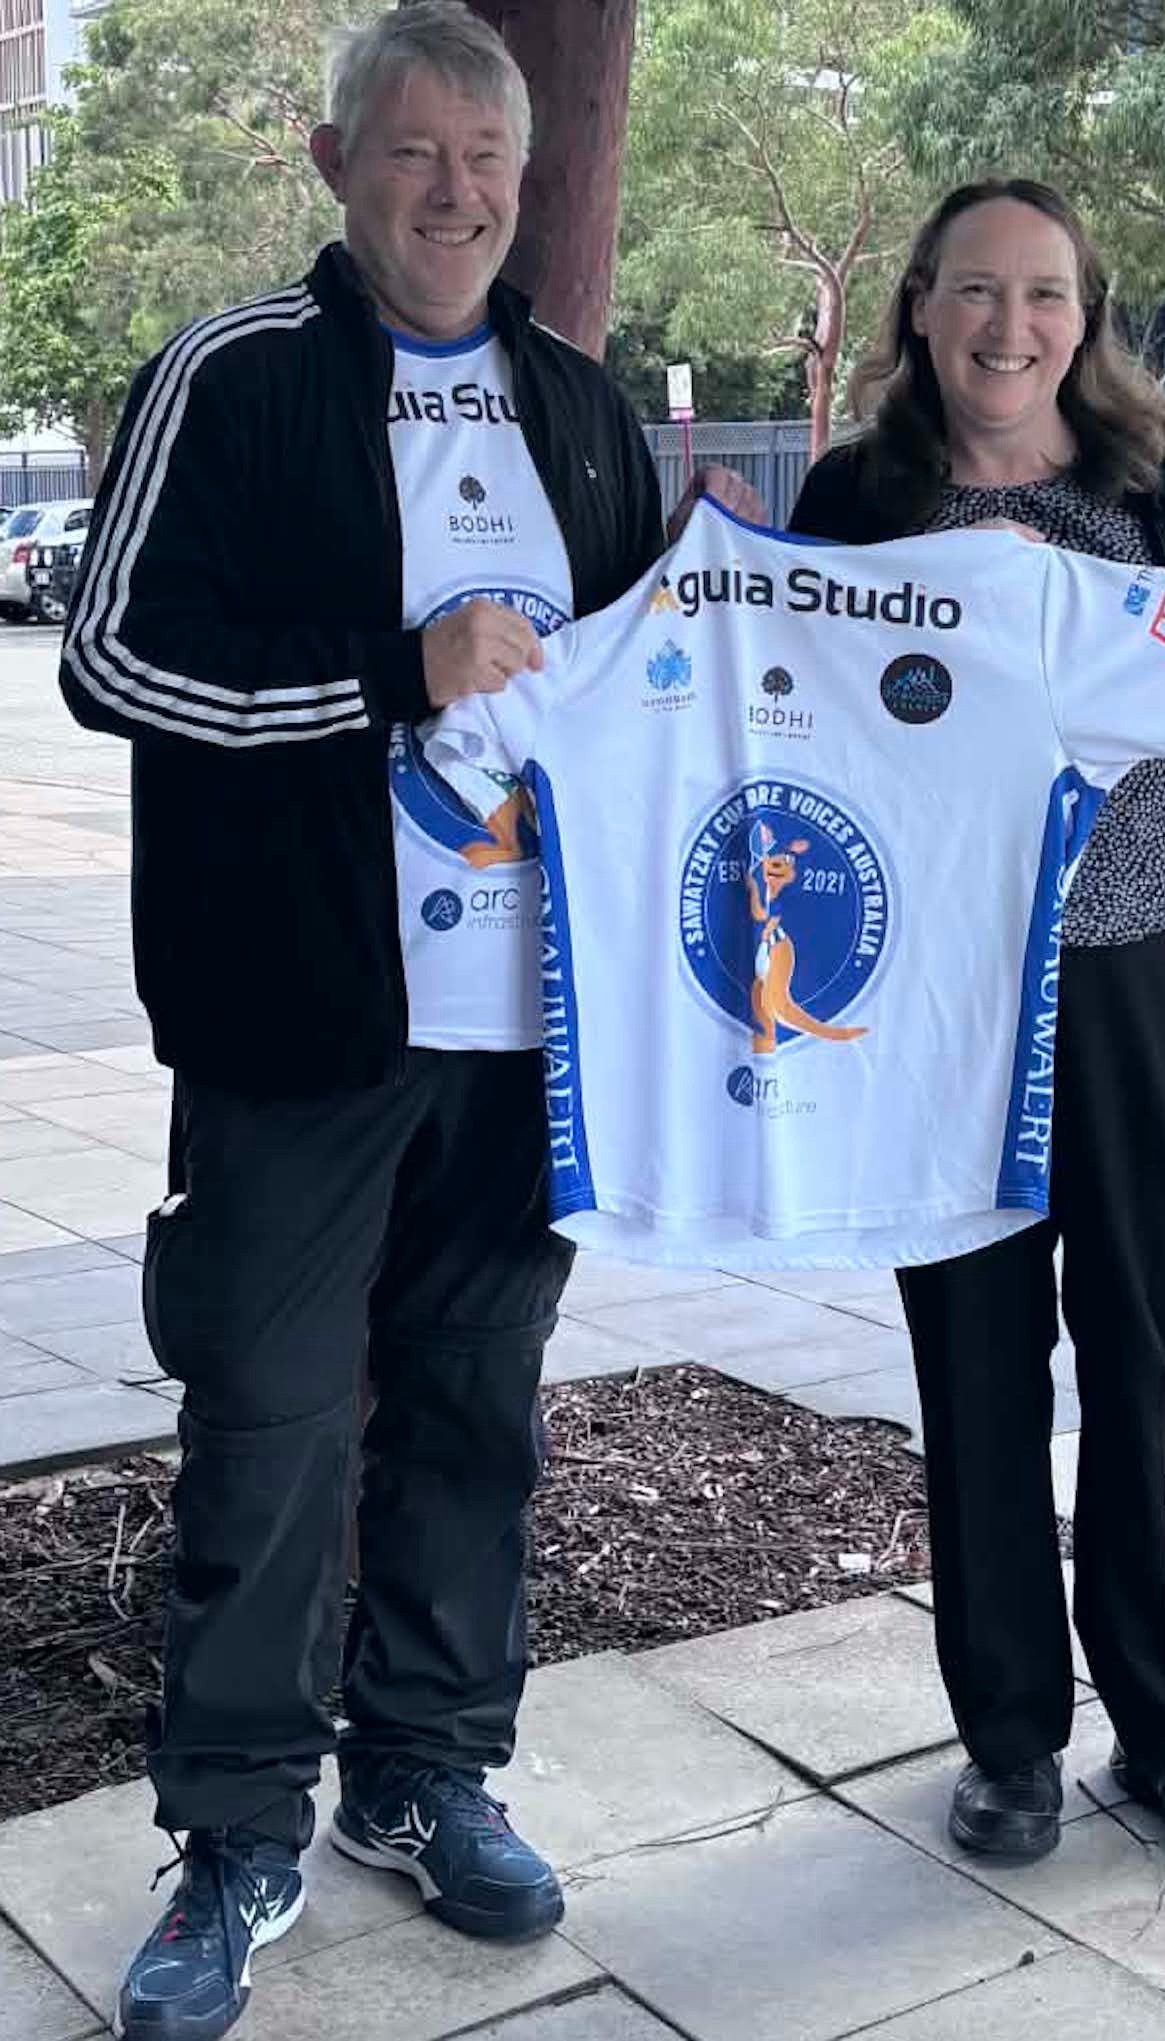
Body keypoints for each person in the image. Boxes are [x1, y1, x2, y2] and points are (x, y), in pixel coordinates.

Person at [59, 10, 756, 2037]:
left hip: (528, 1035)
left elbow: (626, 697)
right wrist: (394, 670)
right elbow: (113, 658)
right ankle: (235, 1833)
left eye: (487, 160)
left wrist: (709, 607)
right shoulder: (234, 372)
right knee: (268, 1428)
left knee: (473, 1412)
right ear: (334, 161)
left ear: (523, 182)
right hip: (301, 1026)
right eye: (413, 152)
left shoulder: (576, 406)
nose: (454, 193)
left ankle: (425, 1772)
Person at [790, 178, 1165, 1875]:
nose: (1011, 326)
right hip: (940, 992)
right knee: (975, 1354)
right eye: (977, 290)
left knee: (1144, 1336)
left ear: (1083, 318)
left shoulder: (1145, 474)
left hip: (1147, 965)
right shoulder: (856, 497)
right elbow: (788, 712)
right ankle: (1009, 1740)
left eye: (1046, 294)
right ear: (919, 306)